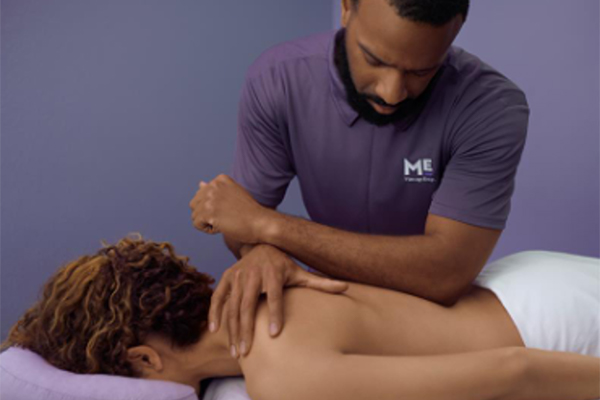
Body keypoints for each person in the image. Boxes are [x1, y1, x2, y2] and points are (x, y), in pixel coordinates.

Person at [188, 0, 530, 361]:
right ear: (347, 7)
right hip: (329, 308)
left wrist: (269, 228)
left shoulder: (492, 107)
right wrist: (260, 252)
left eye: (421, 71)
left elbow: (445, 276)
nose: (391, 92)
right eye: (375, 60)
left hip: (432, 323)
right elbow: (239, 223)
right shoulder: (277, 79)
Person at [2, 236, 598, 400]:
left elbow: (512, 373)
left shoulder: (280, 370)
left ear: (143, 359)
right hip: (521, 278)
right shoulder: (260, 292)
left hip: (546, 325)